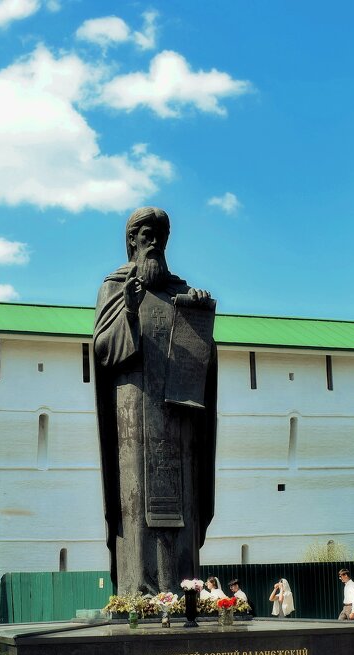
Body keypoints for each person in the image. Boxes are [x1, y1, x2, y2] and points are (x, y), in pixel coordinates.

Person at [94, 206, 218, 596]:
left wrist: (197, 316)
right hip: (135, 413)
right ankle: (140, 590)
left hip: (179, 418)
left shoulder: (181, 292)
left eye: (161, 235)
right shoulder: (115, 287)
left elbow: (203, 359)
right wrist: (129, 310)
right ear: (132, 239)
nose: (154, 242)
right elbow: (103, 350)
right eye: (146, 234)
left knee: (181, 502)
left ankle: (184, 588)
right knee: (138, 503)